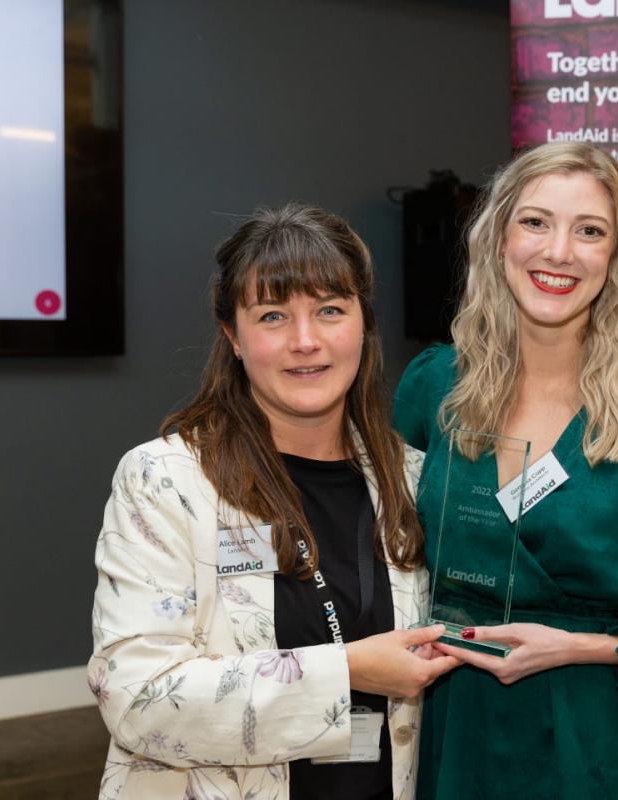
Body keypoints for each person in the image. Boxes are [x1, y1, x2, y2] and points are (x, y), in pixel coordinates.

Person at [392, 142, 618, 800]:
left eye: (589, 231)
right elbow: (388, 567)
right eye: (536, 221)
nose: (558, 251)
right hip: (454, 733)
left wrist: (582, 647)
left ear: (616, 258)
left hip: (595, 741)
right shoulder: (433, 388)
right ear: (498, 235)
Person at [89, 205, 459, 800]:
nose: (305, 341)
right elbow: (136, 696)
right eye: (273, 316)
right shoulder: (167, 481)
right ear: (233, 336)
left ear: (364, 324)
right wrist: (346, 671)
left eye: (330, 310)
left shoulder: (411, 481)